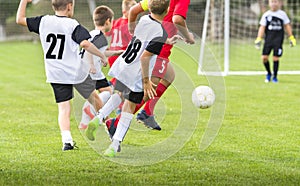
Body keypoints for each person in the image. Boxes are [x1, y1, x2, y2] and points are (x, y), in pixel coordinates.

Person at [16, 0, 108, 151]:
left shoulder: (43, 21)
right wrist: (102, 56)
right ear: (70, 6)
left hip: (56, 73)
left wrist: (24, 1)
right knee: (95, 99)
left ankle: (67, 142)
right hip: (75, 72)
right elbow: (85, 43)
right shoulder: (72, 24)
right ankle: (110, 127)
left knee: (64, 108)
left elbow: (19, 20)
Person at [105, 0, 195, 133]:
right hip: (159, 50)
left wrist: (132, 30)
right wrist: (188, 37)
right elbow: (177, 19)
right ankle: (116, 124)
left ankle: (147, 112)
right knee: (145, 93)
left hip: (150, 47)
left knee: (169, 75)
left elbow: (134, 10)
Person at [78, 5, 124, 130]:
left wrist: (115, 52)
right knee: (108, 92)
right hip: (91, 71)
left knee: (106, 91)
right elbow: (88, 50)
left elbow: (99, 52)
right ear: (108, 21)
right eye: (112, 21)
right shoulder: (100, 36)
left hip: (86, 70)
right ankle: (90, 108)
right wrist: (92, 65)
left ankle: (84, 121)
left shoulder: (93, 33)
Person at [255, 0, 296, 83]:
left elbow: (287, 26)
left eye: (275, 2)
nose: (274, 3)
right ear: (269, 3)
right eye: (272, 2)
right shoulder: (266, 15)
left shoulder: (282, 14)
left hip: (278, 41)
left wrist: (291, 37)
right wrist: (259, 38)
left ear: (279, 3)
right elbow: (262, 27)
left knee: (275, 58)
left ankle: (275, 77)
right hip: (268, 41)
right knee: (264, 58)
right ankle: (269, 73)